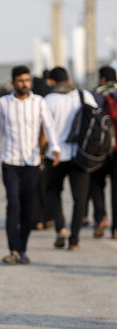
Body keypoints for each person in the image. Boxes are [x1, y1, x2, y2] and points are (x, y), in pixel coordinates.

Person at [0, 65, 60, 264]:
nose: (24, 84)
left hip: (32, 162)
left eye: (27, 80)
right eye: (20, 80)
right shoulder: (4, 103)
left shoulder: (39, 102)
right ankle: (13, 249)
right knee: (13, 205)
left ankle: (22, 248)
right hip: (10, 162)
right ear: (13, 82)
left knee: (28, 209)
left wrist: (55, 148)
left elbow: (49, 126)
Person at [44, 67, 97, 251]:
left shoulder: (48, 100)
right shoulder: (83, 96)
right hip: (80, 154)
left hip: (54, 155)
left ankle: (61, 228)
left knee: (52, 192)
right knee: (80, 198)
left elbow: (42, 129)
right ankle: (74, 240)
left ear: (51, 81)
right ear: (68, 78)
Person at [91, 65, 117, 239]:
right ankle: (116, 228)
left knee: (96, 183)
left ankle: (101, 217)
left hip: (99, 148)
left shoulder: (94, 95)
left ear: (101, 79)